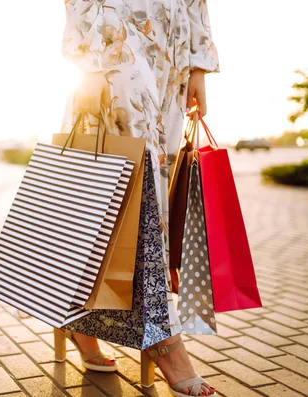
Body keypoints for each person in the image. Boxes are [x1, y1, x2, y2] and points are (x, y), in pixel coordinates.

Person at [56, 1, 219, 396]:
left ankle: (77, 320)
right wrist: (89, 63)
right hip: (117, 42)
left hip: (172, 46)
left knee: (145, 191)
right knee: (137, 195)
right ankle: (164, 338)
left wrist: (197, 64)